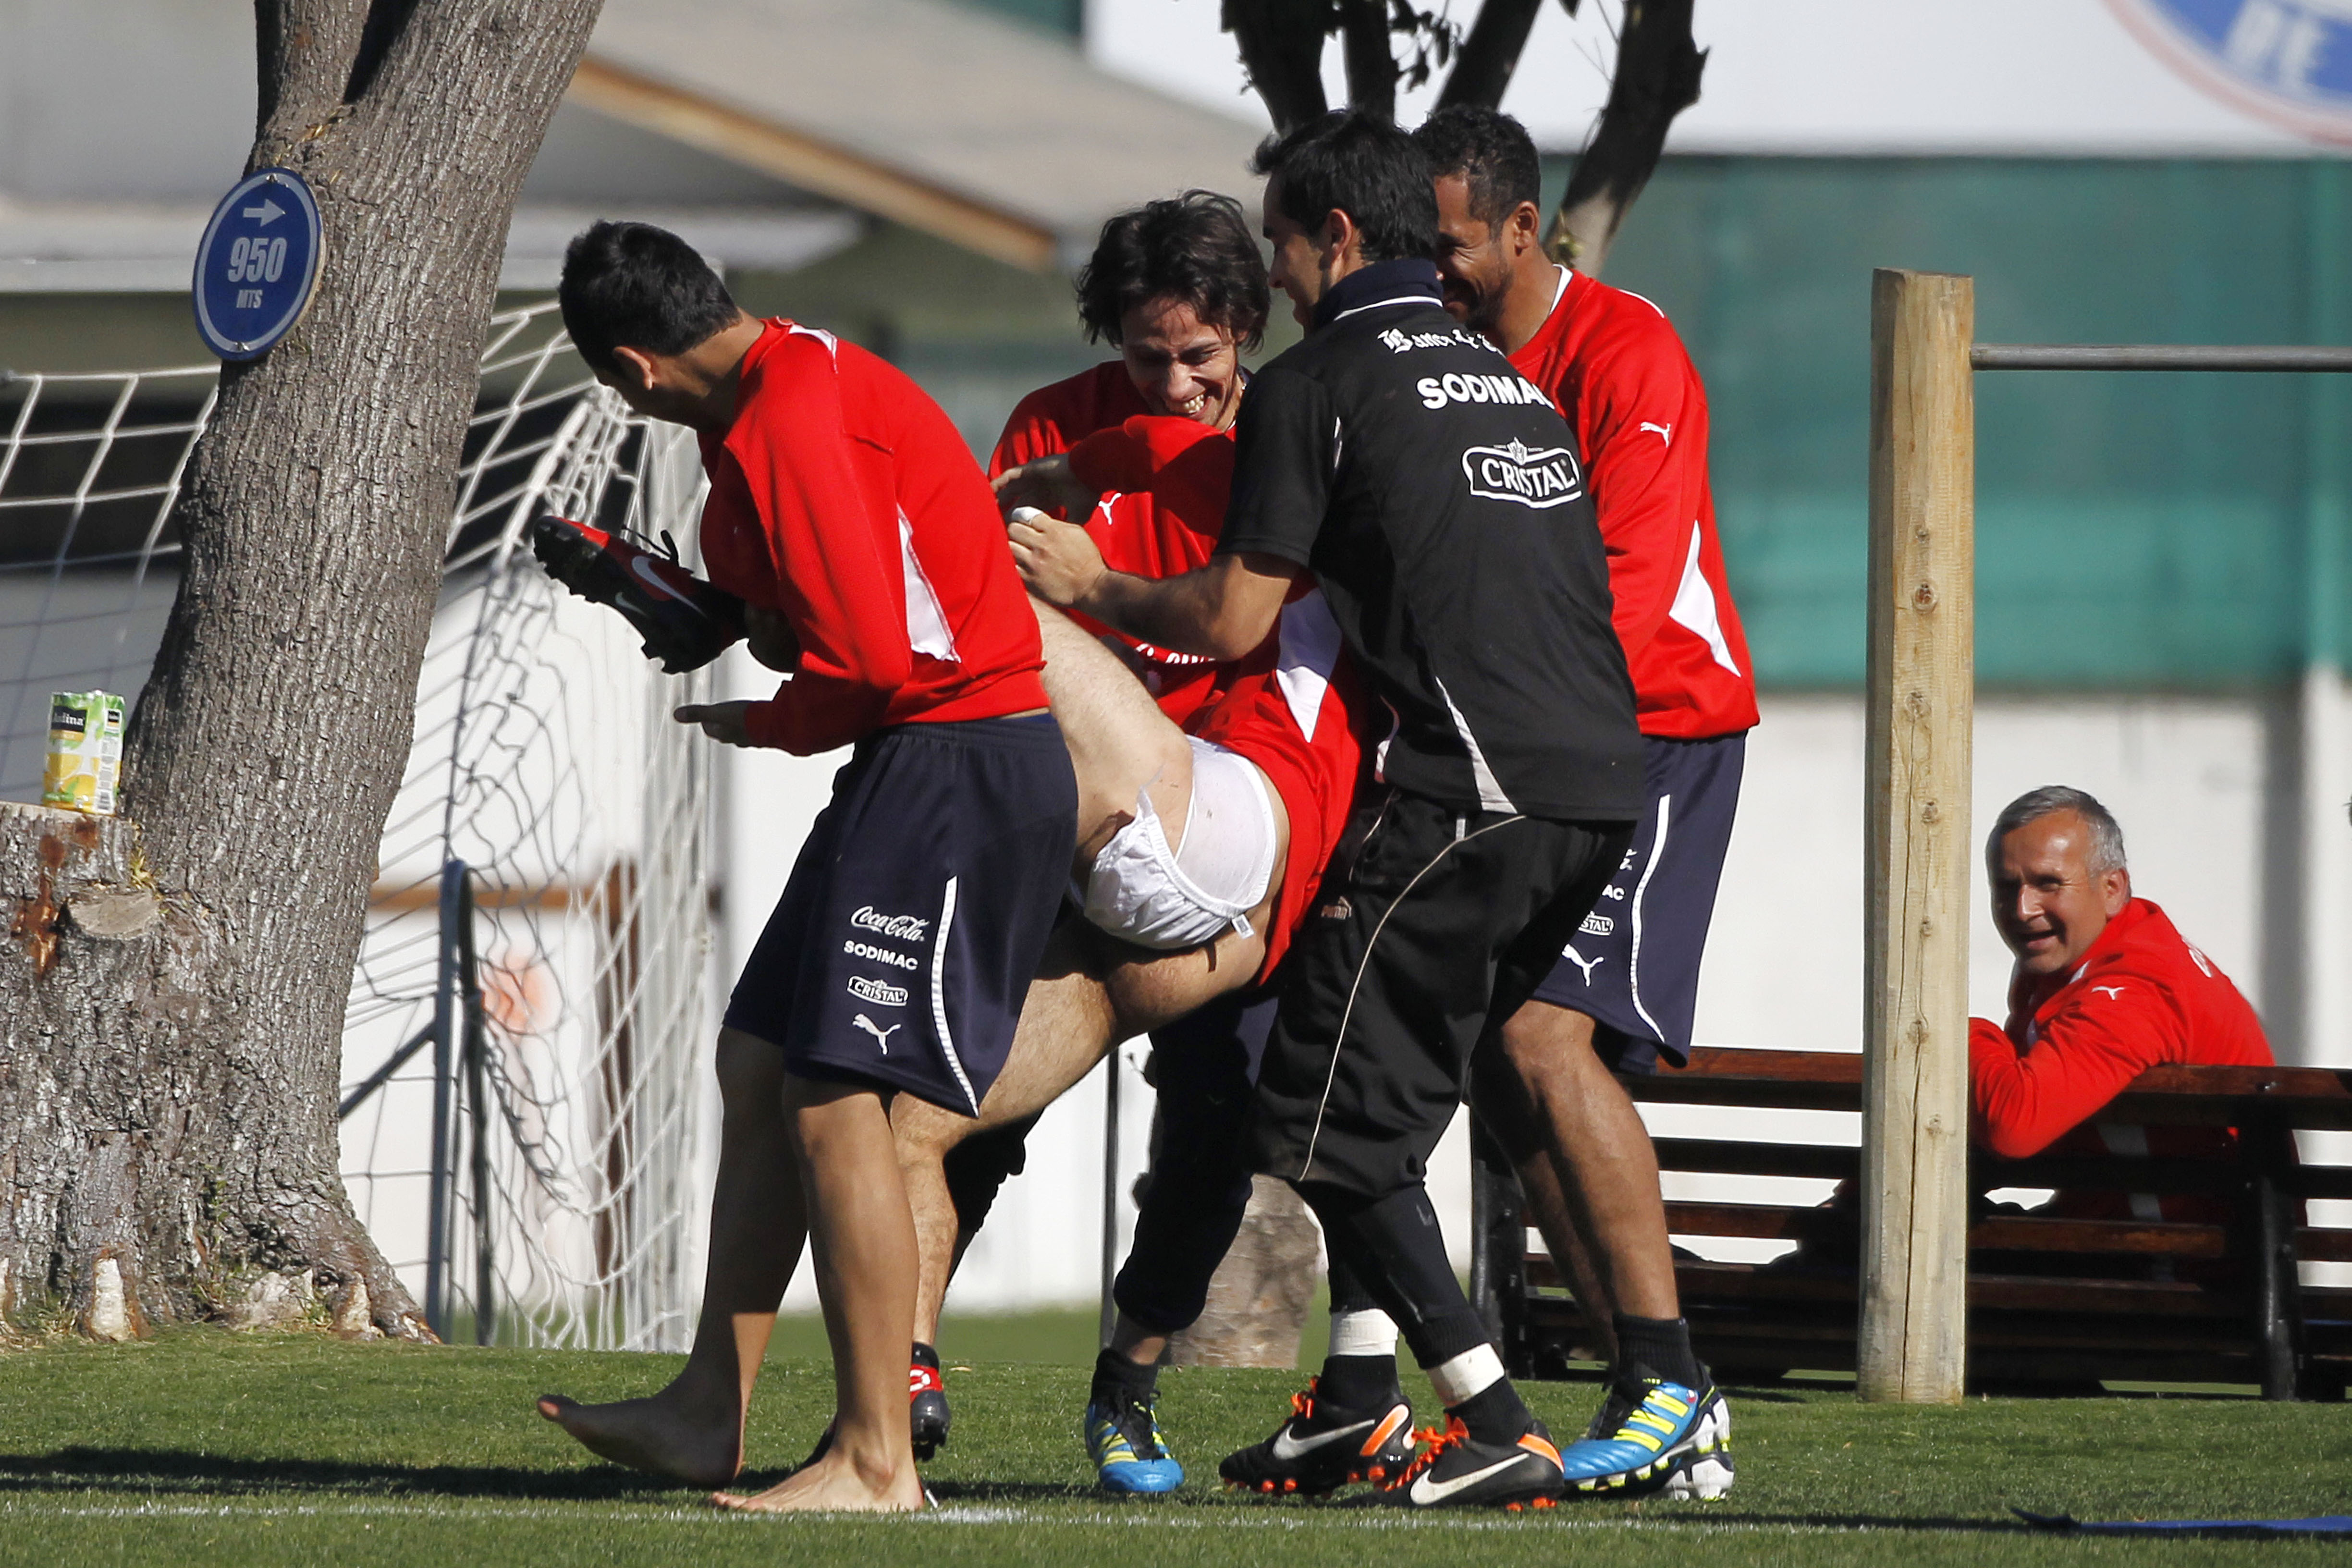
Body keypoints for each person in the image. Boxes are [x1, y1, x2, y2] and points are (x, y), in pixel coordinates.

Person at [1012, 109, 1643, 1510]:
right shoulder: (1507, 376)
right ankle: (1357, 1400)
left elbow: (1236, 615)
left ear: (1334, 239)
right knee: (1370, 1100)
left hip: (1461, 793)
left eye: (1286, 250)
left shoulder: (1319, 383)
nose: (1282, 276)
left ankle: (1496, 1414)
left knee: (1310, 1113)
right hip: (1601, 787)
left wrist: (1091, 590)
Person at [541, 220, 1077, 1513]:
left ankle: (876, 1460)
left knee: (839, 1101)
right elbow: (829, 618)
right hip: (916, 760)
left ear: (634, 367)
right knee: (764, 1061)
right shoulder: (783, 386)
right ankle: (704, 1413)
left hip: (960, 758)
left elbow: (877, 666)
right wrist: (711, 610)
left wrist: (764, 720)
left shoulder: (787, 420)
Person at [1406, 105, 1749, 1495]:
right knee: (1505, 1062)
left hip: (1656, 734)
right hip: (1534, 744)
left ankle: (1670, 1376)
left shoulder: (1627, 351)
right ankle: (1658, 1396)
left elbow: (1617, 582)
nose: (1434, 271)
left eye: (1452, 246)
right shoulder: (1446, 361)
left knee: (1550, 1045)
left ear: (1525, 230)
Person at [1972, 786, 2274, 1196]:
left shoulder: (2134, 987)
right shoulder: (2074, 957)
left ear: (2112, 888)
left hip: (2185, 1250)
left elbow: (2014, 1127)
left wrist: (1953, 1030)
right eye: (2007, 887)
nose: (2023, 909)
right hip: (2120, 1235)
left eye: (2049, 884)